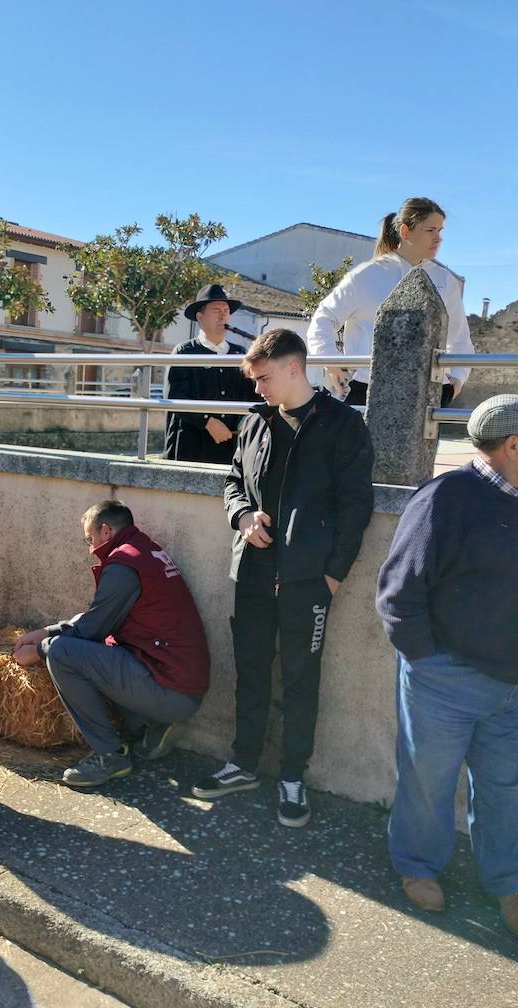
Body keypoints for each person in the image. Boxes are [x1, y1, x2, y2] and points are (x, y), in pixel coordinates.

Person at [376, 394, 518, 938]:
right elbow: (398, 593)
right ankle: (417, 868)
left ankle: (506, 881)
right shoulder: (448, 498)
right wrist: (428, 663)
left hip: (513, 688)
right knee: (429, 781)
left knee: (506, 788)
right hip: (447, 681)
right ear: (513, 444)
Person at [191, 329, 375, 826]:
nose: (257, 390)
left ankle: (293, 776)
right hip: (250, 572)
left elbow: (356, 507)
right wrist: (243, 518)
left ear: (295, 368)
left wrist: (332, 577)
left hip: (307, 582)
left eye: (264, 378)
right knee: (250, 670)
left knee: (300, 680)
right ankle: (243, 763)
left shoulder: (342, 425)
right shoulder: (254, 422)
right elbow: (233, 482)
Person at [13, 501, 210, 788]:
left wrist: (42, 648)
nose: (90, 547)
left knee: (61, 652)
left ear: (106, 531)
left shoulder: (123, 563)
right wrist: (48, 630)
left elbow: (92, 628)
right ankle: (149, 726)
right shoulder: (144, 550)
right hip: (178, 682)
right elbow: (103, 616)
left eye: (89, 538)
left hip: (169, 689)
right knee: (95, 647)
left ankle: (110, 756)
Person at [306, 197, 472, 406]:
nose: (438, 238)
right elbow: (324, 317)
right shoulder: (368, 275)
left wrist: (457, 380)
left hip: (429, 392)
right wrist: (330, 362)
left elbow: (460, 338)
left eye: (440, 230)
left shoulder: (445, 280)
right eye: (430, 230)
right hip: (370, 388)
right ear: (405, 231)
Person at [163, 284, 257, 464]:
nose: (223, 315)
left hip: (231, 448)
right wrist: (208, 422)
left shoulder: (240, 354)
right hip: (191, 447)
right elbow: (176, 397)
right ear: (200, 317)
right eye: (216, 310)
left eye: (226, 310)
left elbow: (251, 395)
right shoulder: (184, 352)